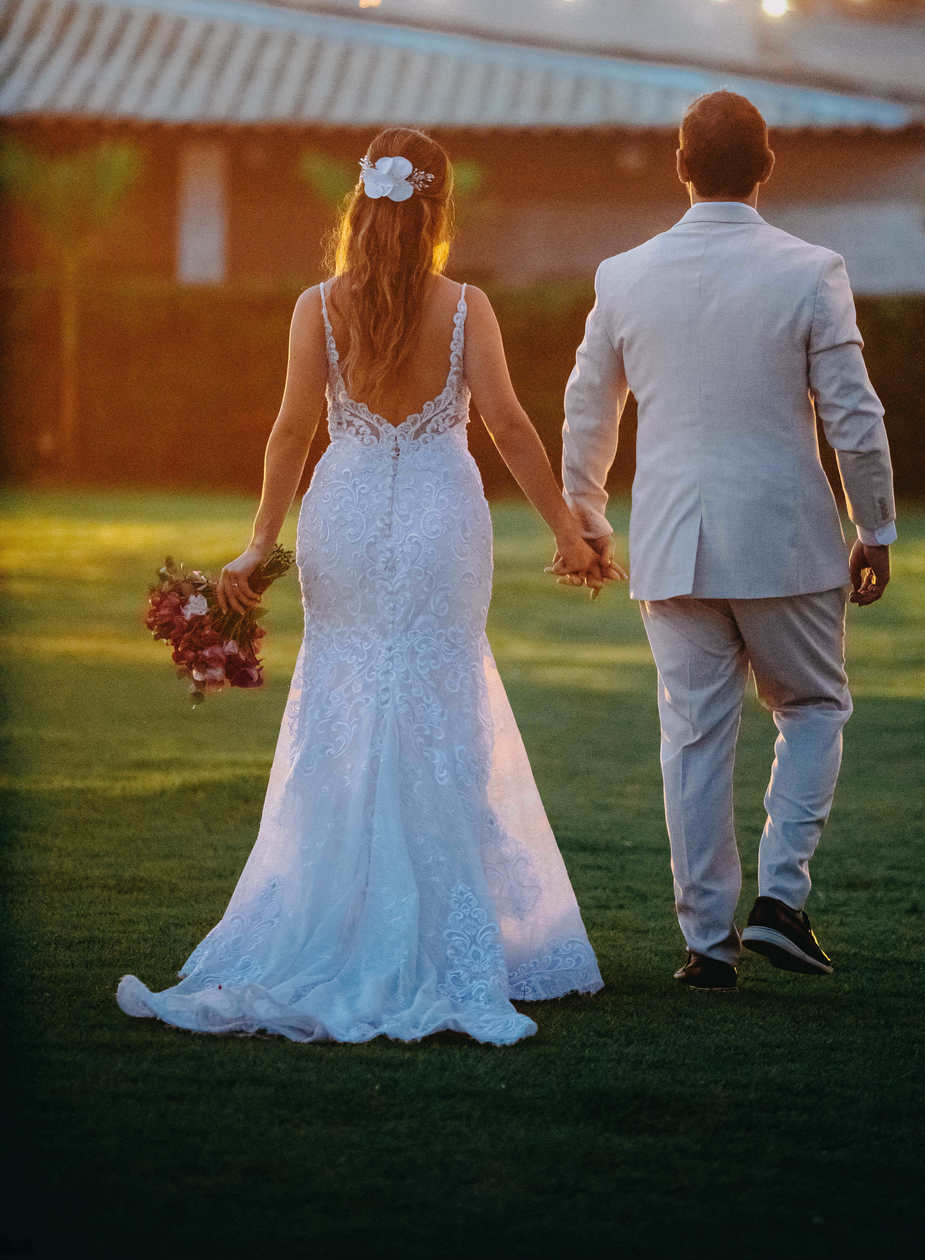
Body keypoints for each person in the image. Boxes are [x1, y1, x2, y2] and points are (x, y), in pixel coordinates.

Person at [118, 128, 603, 1045]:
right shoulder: (467, 306)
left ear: (362, 205)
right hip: (439, 522)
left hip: (339, 516)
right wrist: (568, 532)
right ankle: (442, 939)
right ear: (437, 210)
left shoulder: (317, 305)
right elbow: (506, 424)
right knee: (437, 701)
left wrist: (259, 544)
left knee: (344, 705)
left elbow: (292, 431)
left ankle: (335, 921)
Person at [559, 90, 896, 991]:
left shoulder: (623, 274)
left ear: (680, 165)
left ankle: (708, 947)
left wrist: (586, 516)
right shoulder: (811, 269)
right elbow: (854, 417)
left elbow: (589, 403)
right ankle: (780, 902)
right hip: (785, 538)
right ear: (766, 165)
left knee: (694, 741)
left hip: (670, 543)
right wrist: (877, 526)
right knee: (813, 708)